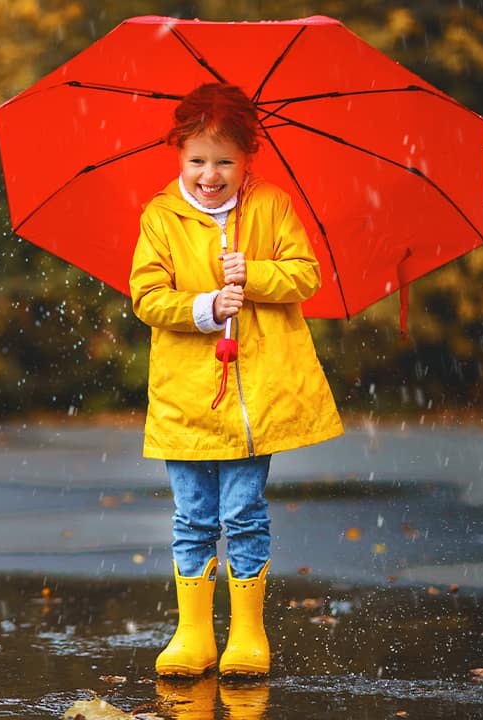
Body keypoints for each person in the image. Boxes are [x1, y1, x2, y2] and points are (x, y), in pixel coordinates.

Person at [129, 82, 343, 678]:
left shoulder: (271, 206)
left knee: (245, 511)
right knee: (193, 515)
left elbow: (305, 276)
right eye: (197, 159)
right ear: (179, 156)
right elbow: (147, 297)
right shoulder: (160, 217)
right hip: (185, 396)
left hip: (254, 397)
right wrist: (204, 308)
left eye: (224, 160)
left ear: (249, 157)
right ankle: (193, 632)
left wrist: (254, 274)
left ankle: (248, 632)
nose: (209, 174)